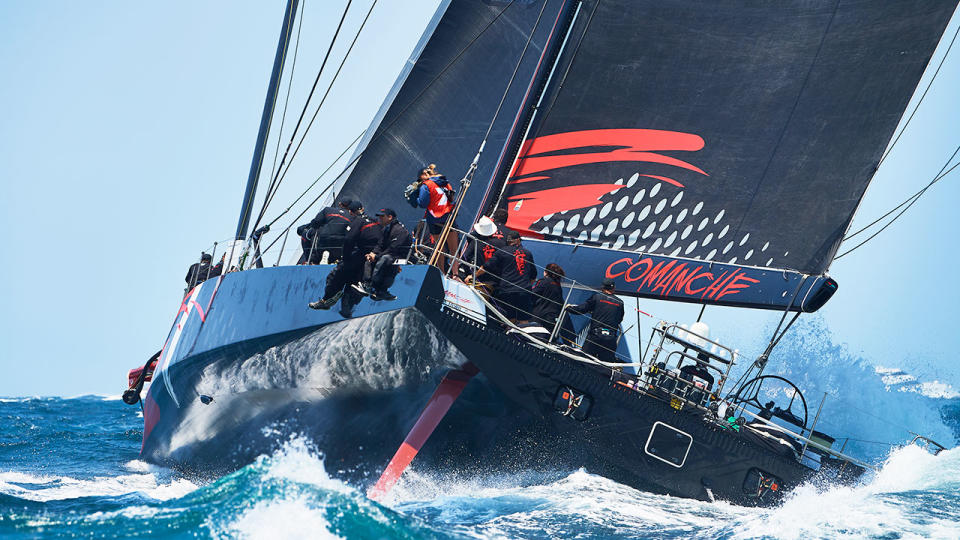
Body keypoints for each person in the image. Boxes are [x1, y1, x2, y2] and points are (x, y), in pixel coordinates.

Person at [308, 201, 381, 315]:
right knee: (354, 282)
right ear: (362, 208)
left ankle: (326, 301)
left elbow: (349, 240)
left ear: (351, 212)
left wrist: (345, 258)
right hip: (373, 257)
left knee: (335, 275)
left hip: (360, 254)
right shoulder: (375, 221)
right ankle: (348, 309)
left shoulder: (357, 221)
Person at [469, 230, 537, 323]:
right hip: (523, 291)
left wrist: (472, 276)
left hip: (507, 291)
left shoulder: (502, 251)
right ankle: (521, 337)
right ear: (518, 241)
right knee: (523, 320)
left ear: (508, 241)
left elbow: (486, 266)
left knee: (509, 319)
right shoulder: (528, 253)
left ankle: (509, 332)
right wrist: (525, 286)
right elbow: (533, 276)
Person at [355, 208, 411, 301]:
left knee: (385, 259)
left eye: (382, 216)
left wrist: (376, 256)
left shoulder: (400, 230)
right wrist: (373, 253)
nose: (380, 219)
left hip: (399, 257)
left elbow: (393, 249)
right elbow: (380, 244)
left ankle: (379, 289)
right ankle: (367, 285)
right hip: (389, 254)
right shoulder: (386, 229)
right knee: (369, 257)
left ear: (390, 217)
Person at [415, 165, 459, 273]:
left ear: (424, 175)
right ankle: (455, 274)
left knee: (439, 249)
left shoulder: (426, 185)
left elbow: (423, 203)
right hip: (448, 217)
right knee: (454, 248)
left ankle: (441, 272)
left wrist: (416, 197)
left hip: (434, 219)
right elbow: (452, 198)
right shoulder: (445, 182)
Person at [568, 278, 625, 363]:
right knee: (605, 365)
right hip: (610, 339)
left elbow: (582, 309)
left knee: (584, 361)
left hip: (595, 337)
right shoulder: (620, 303)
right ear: (613, 288)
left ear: (603, 287)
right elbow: (619, 319)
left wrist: (569, 308)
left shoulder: (596, 297)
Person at [298, 198, 352, 264]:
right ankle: (335, 259)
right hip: (340, 245)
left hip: (324, 240)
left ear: (340, 204)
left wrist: (302, 228)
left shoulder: (327, 210)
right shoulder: (353, 217)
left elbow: (315, 223)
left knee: (306, 233)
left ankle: (311, 261)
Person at [530, 263, 574, 340]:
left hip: (540, 317)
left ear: (546, 272)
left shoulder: (544, 281)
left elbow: (532, 293)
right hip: (552, 319)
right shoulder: (558, 285)